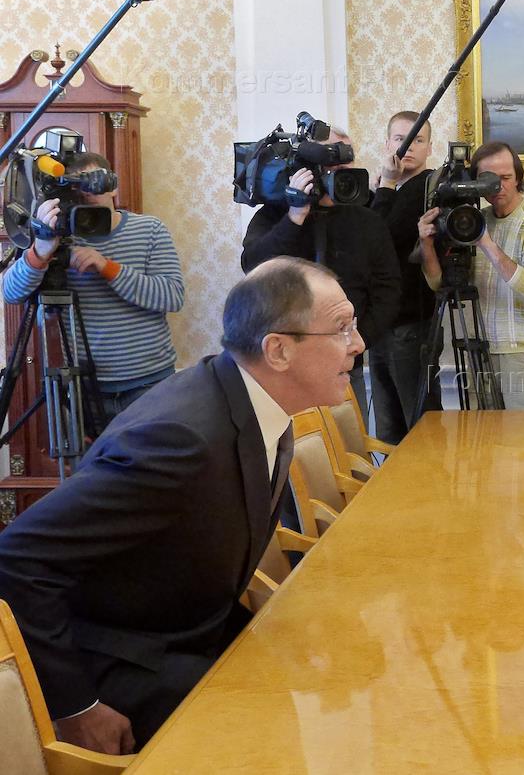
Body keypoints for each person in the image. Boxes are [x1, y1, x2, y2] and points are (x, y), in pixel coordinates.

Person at [0, 257, 365, 753]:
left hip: (187, 628)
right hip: (120, 657)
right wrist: (77, 706)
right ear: (278, 350)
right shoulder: (178, 440)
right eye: (342, 328)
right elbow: (17, 558)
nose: (358, 344)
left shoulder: (254, 400)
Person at [3, 151, 184, 430]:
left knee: (157, 459)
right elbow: (11, 293)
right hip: (85, 387)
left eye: (92, 183)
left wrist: (106, 267)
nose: (86, 194)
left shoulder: (150, 229)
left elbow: (171, 296)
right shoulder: (57, 235)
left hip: (150, 383)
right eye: (77, 187)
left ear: (113, 187)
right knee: (94, 460)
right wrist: (41, 250)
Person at [242, 126, 401, 416]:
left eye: (346, 161)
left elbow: (388, 290)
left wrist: (359, 340)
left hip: (346, 366)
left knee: (348, 441)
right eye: (332, 160)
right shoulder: (273, 215)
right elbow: (253, 268)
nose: (340, 170)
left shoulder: (367, 220)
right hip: (285, 368)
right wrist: (295, 216)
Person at [418, 141, 524, 409]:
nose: (498, 186)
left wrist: (486, 243)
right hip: (480, 349)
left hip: (523, 353)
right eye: (489, 180)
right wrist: (426, 244)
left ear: (518, 177)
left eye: (506, 177)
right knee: (486, 435)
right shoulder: (468, 220)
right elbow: (439, 284)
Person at [367, 111, 442, 442]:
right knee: (388, 430)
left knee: (420, 429)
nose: (408, 146)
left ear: (429, 148)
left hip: (412, 325)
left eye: (418, 140)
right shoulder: (383, 190)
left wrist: (386, 186)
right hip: (378, 324)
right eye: (401, 139)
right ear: (388, 144)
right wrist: (384, 188)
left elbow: (378, 239)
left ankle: (426, 478)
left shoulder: (429, 188)